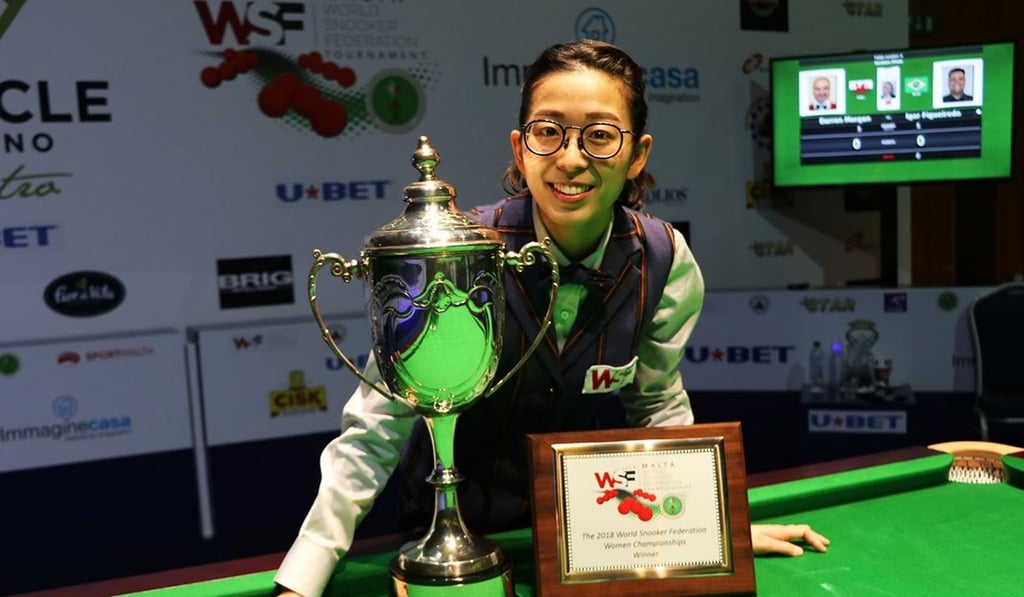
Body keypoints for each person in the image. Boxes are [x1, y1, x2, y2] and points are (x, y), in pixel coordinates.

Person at [274, 40, 829, 597]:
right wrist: (307, 572)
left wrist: (708, 533)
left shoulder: (665, 258)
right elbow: (375, 430)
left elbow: (657, 405)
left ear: (637, 154)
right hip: (446, 546)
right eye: (548, 131)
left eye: (601, 134)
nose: (570, 159)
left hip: (581, 546)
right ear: (521, 148)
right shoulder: (457, 253)